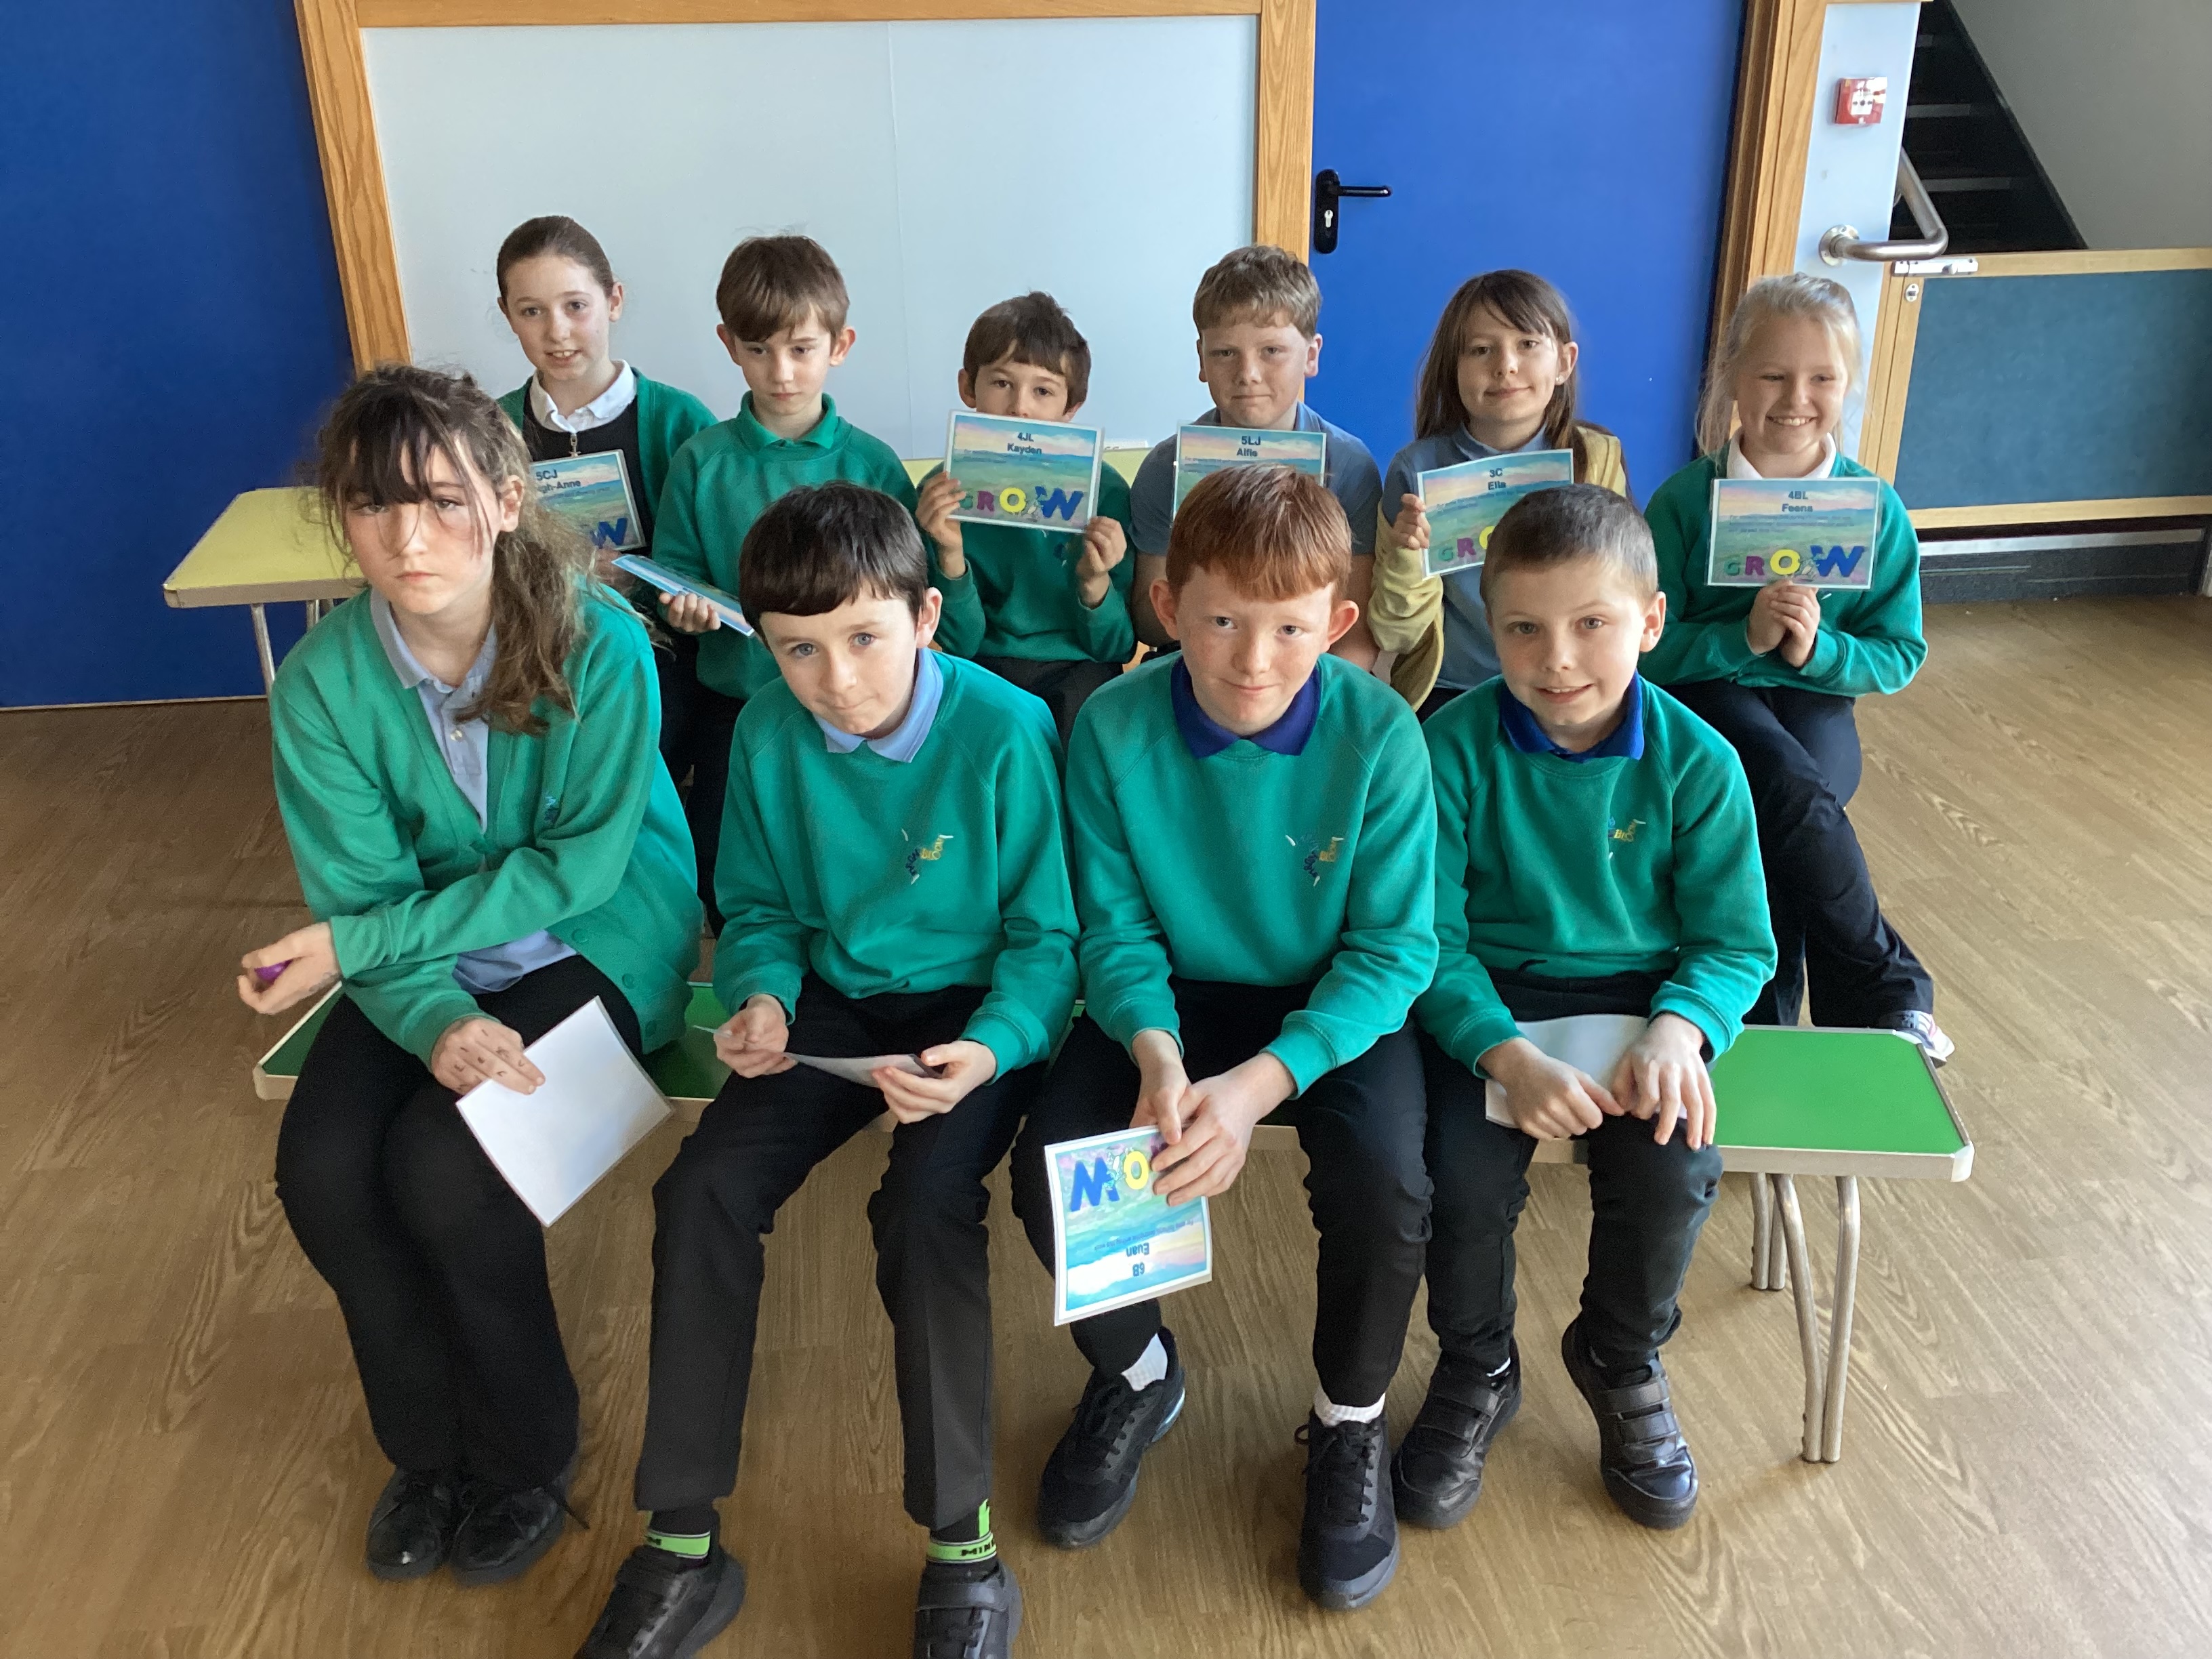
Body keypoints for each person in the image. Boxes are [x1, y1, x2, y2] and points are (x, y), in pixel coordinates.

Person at [577, 484, 1077, 1659]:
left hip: (974, 1015)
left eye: (863, 637)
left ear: (925, 618)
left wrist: (988, 1049)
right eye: (797, 649)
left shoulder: (1006, 730)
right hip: (832, 1009)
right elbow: (756, 908)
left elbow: (1047, 937)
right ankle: (682, 1541)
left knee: (925, 1205)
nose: (835, 678)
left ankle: (963, 1546)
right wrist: (761, 996)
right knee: (701, 1191)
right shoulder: (764, 731)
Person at [237, 364, 701, 1590]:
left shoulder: (602, 644)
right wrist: (434, 1012)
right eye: (372, 504)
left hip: (597, 943)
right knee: (324, 1173)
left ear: (504, 500)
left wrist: (354, 951)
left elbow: (579, 871)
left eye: (442, 501)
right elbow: (361, 895)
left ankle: (524, 1457)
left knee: (450, 1172)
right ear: (341, 518)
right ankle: (428, 1452)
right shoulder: (324, 682)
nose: (408, 538)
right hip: (412, 959)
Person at [1008, 463, 1436, 1612]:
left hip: (1329, 1004)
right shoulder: (1111, 725)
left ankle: (1347, 1417)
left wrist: (1254, 1087)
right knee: (1053, 1166)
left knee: (1388, 1181)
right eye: (1221, 622)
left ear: (1337, 623)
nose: (1253, 659)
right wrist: (1156, 1052)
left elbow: (1394, 951)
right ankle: (1138, 1371)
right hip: (1168, 995)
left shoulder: (1382, 733)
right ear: (1166, 606)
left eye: (1290, 628)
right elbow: (1111, 926)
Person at [1396, 483, 1774, 1536]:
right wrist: (1502, 1053)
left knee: (1671, 1170)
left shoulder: (1702, 763)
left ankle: (1620, 1354)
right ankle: (1478, 1363)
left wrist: (1680, 1029)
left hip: (1644, 1002)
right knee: (1457, 1181)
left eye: (1592, 625)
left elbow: (1735, 943)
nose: (1556, 659)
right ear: (1488, 624)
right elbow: (1429, 940)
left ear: (1650, 622)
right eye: (1523, 628)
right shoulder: (1449, 749)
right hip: (1491, 1003)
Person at [1643, 273, 1951, 1061]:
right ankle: (1887, 994)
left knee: (1789, 819)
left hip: (1817, 702)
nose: (1796, 399)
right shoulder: (1683, 502)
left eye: (1822, 379)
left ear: (1848, 386)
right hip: (1708, 694)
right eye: (1773, 375)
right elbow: (1645, 645)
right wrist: (1739, 637)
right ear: (1732, 379)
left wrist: (1822, 651)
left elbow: (1899, 653)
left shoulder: (1875, 509)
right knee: (1780, 791)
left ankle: (1762, 1033)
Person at [650, 234, 916, 926]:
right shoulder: (701, 460)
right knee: (724, 860)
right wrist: (683, 610)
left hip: (854, 699)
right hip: (739, 697)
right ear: (729, 344)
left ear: (840, 345)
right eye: (759, 349)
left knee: (856, 850)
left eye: (801, 349)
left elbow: (904, 590)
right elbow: (675, 572)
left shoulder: (874, 464)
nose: (782, 372)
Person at [491, 215, 717, 819]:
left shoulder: (681, 422)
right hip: (541, 651)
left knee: (639, 766)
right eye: (532, 311)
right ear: (508, 315)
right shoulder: (492, 429)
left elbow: (715, 553)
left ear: (614, 301)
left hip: (663, 653)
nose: (558, 332)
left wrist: (666, 591)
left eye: (576, 306)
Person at [1368, 269, 1631, 716]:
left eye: (1527, 344)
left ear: (1564, 363)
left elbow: (1618, 593)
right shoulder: (1417, 470)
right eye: (1480, 349)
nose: (1505, 365)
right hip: (1455, 689)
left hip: (1567, 682)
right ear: (1453, 371)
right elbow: (1395, 633)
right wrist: (1408, 560)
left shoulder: (1595, 459)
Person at [1126, 245, 1385, 665]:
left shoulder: (1349, 466)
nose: (1247, 374)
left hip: (1307, 672)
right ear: (1202, 359)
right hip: (1191, 665)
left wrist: (1318, 698)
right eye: (1225, 353)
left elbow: (1354, 634)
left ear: (1311, 355)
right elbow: (1149, 621)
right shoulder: (1166, 467)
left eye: (1271, 351)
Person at [919, 291, 1138, 743]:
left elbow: (1116, 648)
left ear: (1070, 408)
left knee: (1089, 726)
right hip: (985, 664)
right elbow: (961, 644)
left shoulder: (1107, 493)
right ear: (968, 388)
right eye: (1001, 383)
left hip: (1079, 665)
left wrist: (1095, 582)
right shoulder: (941, 495)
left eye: (1043, 391)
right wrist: (950, 554)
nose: (1020, 407)